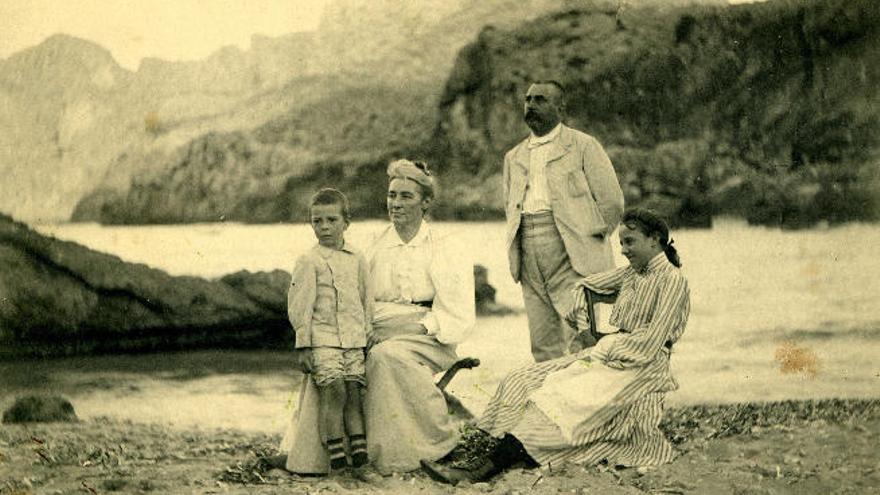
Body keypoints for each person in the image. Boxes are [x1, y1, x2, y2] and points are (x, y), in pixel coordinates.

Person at [422, 208, 689, 485]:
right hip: (611, 353)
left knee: (560, 404)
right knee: (521, 380)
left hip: (643, 365)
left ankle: (481, 469)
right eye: (620, 242)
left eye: (629, 242)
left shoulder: (672, 281)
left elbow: (651, 341)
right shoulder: (633, 274)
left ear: (654, 240)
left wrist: (606, 351)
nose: (623, 250)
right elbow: (583, 287)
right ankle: (481, 453)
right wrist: (586, 329)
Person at [280, 160, 475, 475]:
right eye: (392, 195)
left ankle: (395, 453)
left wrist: (408, 328)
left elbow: (457, 312)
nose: (395, 204)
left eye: (406, 197)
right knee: (330, 356)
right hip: (373, 324)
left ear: (426, 202)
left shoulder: (445, 246)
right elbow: (352, 294)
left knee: (384, 355)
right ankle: (316, 456)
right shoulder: (374, 244)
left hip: (427, 333)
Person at [504, 80, 625, 362]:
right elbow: (510, 208)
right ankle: (552, 404)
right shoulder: (514, 157)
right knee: (542, 340)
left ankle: (593, 403)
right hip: (528, 251)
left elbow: (612, 203)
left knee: (585, 333)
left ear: (560, 107)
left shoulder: (583, 146)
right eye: (528, 99)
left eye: (541, 99)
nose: (531, 105)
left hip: (573, 250)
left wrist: (588, 238)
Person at [285, 188, 372, 472]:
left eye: (331, 220)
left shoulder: (357, 258)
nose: (324, 227)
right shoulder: (308, 261)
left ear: (346, 222)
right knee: (334, 391)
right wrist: (303, 345)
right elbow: (300, 305)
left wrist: (367, 333)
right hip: (323, 340)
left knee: (353, 393)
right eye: (317, 221)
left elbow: (365, 297)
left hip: (353, 339)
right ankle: (336, 459)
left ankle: (358, 457)